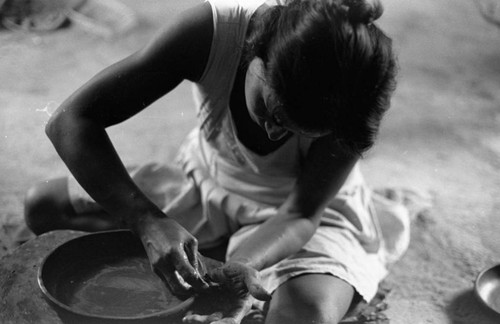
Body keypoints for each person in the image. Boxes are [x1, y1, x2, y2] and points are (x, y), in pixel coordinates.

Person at [25, 0, 405, 323]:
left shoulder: (354, 92)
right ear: (258, 50)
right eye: (273, 113)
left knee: (307, 314)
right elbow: (70, 121)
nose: (276, 133)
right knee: (44, 205)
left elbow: (301, 213)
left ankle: (231, 255)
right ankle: (208, 243)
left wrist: (244, 262)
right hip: (208, 177)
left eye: (298, 129)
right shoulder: (211, 31)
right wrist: (146, 220)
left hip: (296, 216)